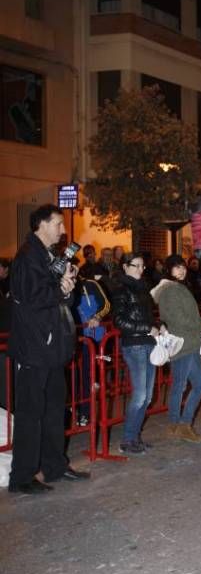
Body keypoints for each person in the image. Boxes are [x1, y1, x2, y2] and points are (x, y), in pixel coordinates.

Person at [7, 204, 90, 494]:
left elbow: (62, 299)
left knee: (55, 409)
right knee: (31, 413)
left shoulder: (49, 257)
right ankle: (22, 477)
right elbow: (30, 297)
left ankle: (54, 466)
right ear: (41, 225)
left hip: (53, 347)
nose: (63, 230)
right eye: (58, 224)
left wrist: (68, 286)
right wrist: (60, 290)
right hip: (34, 348)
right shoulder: (27, 258)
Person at [151, 255, 201, 442]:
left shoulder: (177, 287)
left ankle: (178, 424)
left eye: (182, 267)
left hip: (189, 343)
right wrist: (200, 324)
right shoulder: (171, 290)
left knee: (193, 385)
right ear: (169, 270)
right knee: (185, 385)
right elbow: (178, 319)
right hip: (184, 343)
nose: (181, 270)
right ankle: (179, 424)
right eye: (176, 268)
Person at [111, 252, 158, 454]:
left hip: (148, 343)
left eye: (142, 266)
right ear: (125, 266)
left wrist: (158, 326)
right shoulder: (121, 288)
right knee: (139, 395)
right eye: (136, 265)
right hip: (134, 345)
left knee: (147, 397)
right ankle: (128, 439)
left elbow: (149, 315)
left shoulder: (143, 288)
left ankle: (135, 436)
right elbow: (119, 321)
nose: (140, 269)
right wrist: (146, 327)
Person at [73, 273, 111, 426]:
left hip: (93, 339)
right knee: (73, 379)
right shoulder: (58, 285)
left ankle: (85, 413)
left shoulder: (90, 284)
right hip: (72, 340)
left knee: (88, 377)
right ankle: (74, 411)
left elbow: (106, 304)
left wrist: (97, 317)